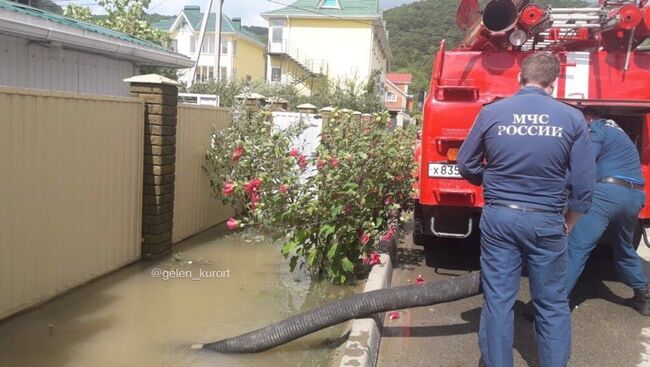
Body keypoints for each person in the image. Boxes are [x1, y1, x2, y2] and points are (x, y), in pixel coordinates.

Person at [457, 52, 596, 367]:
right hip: (547, 220)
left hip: (500, 217)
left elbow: (466, 163)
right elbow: (585, 181)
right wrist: (571, 218)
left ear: (519, 78)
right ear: (553, 83)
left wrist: (489, 180)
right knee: (552, 304)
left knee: (497, 302)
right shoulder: (572, 118)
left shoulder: (493, 113)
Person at [566, 109, 649, 315]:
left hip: (605, 195)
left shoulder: (596, 128)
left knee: (575, 248)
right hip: (633, 196)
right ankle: (644, 297)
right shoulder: (616, 130)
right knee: (624, 247)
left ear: (588, 117)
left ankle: (551, 306)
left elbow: (585, 163)